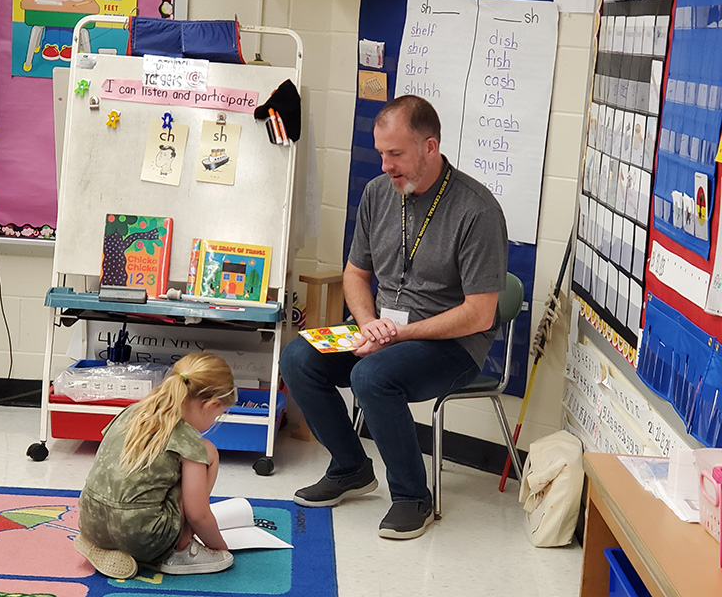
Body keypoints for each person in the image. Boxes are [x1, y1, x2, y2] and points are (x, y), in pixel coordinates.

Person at [280, 95, 508, 540]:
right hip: (383, 330)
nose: (385, 165)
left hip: (450, 343)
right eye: (381, 153)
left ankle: (412, 498)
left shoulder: (476, 210)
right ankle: (350, 468)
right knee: (297, 357)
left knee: (372, 376)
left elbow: (480, 315)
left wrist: (399, 334)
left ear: (430, 147)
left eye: (396, 154)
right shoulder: (377, 193)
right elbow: (355, 274)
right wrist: (368, 323)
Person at [74, 352, 238, 578]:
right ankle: (180, 548)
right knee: (208, 453)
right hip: (142, 536)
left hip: (89, 520)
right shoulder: (188, 439)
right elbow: (197, 514)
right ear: (211, 405)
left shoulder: (133, 411)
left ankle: (106, 541)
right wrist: (220, 547)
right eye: (218, 414)